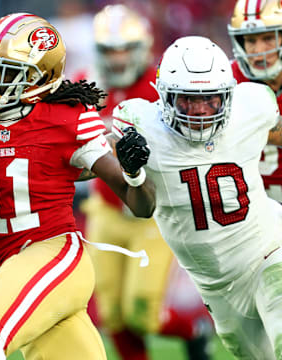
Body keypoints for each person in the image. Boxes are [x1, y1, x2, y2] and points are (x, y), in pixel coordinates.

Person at [0, 13, 155, 360]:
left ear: (37, 79)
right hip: (14, 265)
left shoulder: (66, 118)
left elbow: (142, 207)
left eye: (3, 71)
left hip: (56, 255)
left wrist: (134, 172)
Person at [111, 35, 282, 359]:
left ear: (227, 95)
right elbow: (95, 168)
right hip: (215, 285)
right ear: (165, 97)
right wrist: (130, 170)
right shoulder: (142, 127)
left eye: (211, 99)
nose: (201, 111)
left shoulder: (249, 110)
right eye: (189, 100)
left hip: (268, 252)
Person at [76, 5, 212, 360]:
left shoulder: (161, 86)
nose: (118, 58)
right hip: (105, 208)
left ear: (142, 47)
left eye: (124, 48)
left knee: (142, 313)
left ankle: (193, 331)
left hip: (153, 212)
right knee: (112, 315)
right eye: (109, 50)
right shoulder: (82, 87)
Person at [228, 0, 282, 238]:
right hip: (255, 228)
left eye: (269, 38)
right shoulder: (226, 82)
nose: (257, 49)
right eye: (250, 40)